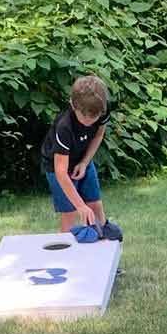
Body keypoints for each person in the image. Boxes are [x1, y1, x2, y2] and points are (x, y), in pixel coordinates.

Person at [39, 75, 122, 242]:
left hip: (82, 159)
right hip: (58, 168)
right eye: (84, 117)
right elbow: (61, 172)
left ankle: (105, 259)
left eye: (94, 118)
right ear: (73, 105)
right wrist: (80, 206)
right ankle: (65, 259)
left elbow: (98, 135)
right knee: (70, 213)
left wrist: (84, 162)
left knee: (95, 205)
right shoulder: (64, 126)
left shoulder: (101, 110)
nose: (89, 123)